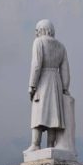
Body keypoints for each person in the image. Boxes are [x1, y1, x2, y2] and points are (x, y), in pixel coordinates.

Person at [27, 19, 71, 151]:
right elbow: (65, 70)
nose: (35, 33)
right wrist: (65, 88)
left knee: (38, 113)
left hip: (43, 80)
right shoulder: (61, 47)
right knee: (53, 115)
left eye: (36, 30)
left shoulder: (39, 42)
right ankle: (51, 145)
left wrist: (32, 85)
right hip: (56, 82)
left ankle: (35, 144)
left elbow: (36, 65)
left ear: (41, 30)